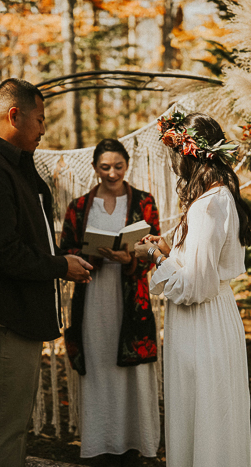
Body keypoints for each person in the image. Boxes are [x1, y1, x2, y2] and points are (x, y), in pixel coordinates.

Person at [0, 77, 93, 467]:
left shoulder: (13, 166)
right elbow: (0, 253)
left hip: (20, 313)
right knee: (5, 427)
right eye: (40, 119)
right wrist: (60, 266)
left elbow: (29, 236)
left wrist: (63, 256)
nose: (45, 129)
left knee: (14, 425)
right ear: (14, 116)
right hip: (4, 317)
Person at [135, 112, 251, 467]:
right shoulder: (220, 197)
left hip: (202, 325)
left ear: (188, 154)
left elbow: (195, 286)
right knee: (207, 415)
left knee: (205, 418)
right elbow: (205, 265)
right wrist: (173, 248)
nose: (174, 167)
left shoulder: (209, 206)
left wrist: (156, 255)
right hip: (214, 318)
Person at [60, 138, 161, 466]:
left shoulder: (144, 202)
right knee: (100, 367)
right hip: (93, 300)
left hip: (131, 301)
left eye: (118, 166)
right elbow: (64, 252)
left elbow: (155, 249)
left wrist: (128, 258)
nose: (112, 173)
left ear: (127, 166)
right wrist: (89, 256)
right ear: (94, 168)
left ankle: (135, 442)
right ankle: (99, 443)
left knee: (132, 374)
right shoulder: (78, 207)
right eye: (105, 167)